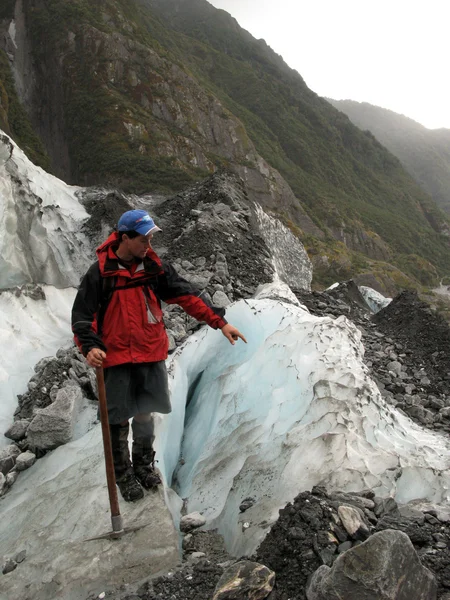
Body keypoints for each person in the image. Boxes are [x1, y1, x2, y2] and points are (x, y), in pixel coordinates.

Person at [72, 209, 246, 502]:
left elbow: (186, 296)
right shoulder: (100, 273)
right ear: (125, 238)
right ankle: (123, 475)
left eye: (151, 239)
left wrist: (220, 322)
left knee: (143, 412)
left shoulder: (154, 267)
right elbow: (82, 316)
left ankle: (142, 465)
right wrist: (90, 347)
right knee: (116, 419)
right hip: (115, 356)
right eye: (143, 239)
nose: (148, 246)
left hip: (149, 352)